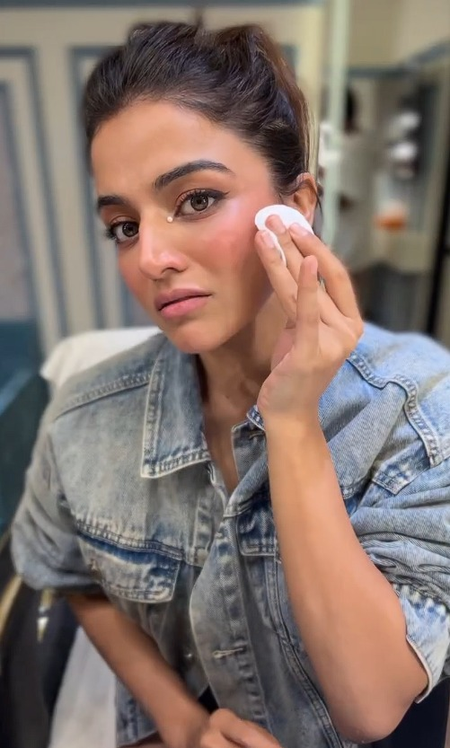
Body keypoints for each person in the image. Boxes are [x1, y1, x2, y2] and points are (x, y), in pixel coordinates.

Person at [11, 21, 450, 748]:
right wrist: (183, 725)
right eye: (123, 225)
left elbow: (371, 705)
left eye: (195, 199)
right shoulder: (83, 421)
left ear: (296, 206)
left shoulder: (418, 411)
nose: (150, 257)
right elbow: (72, 576)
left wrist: (293, 420)